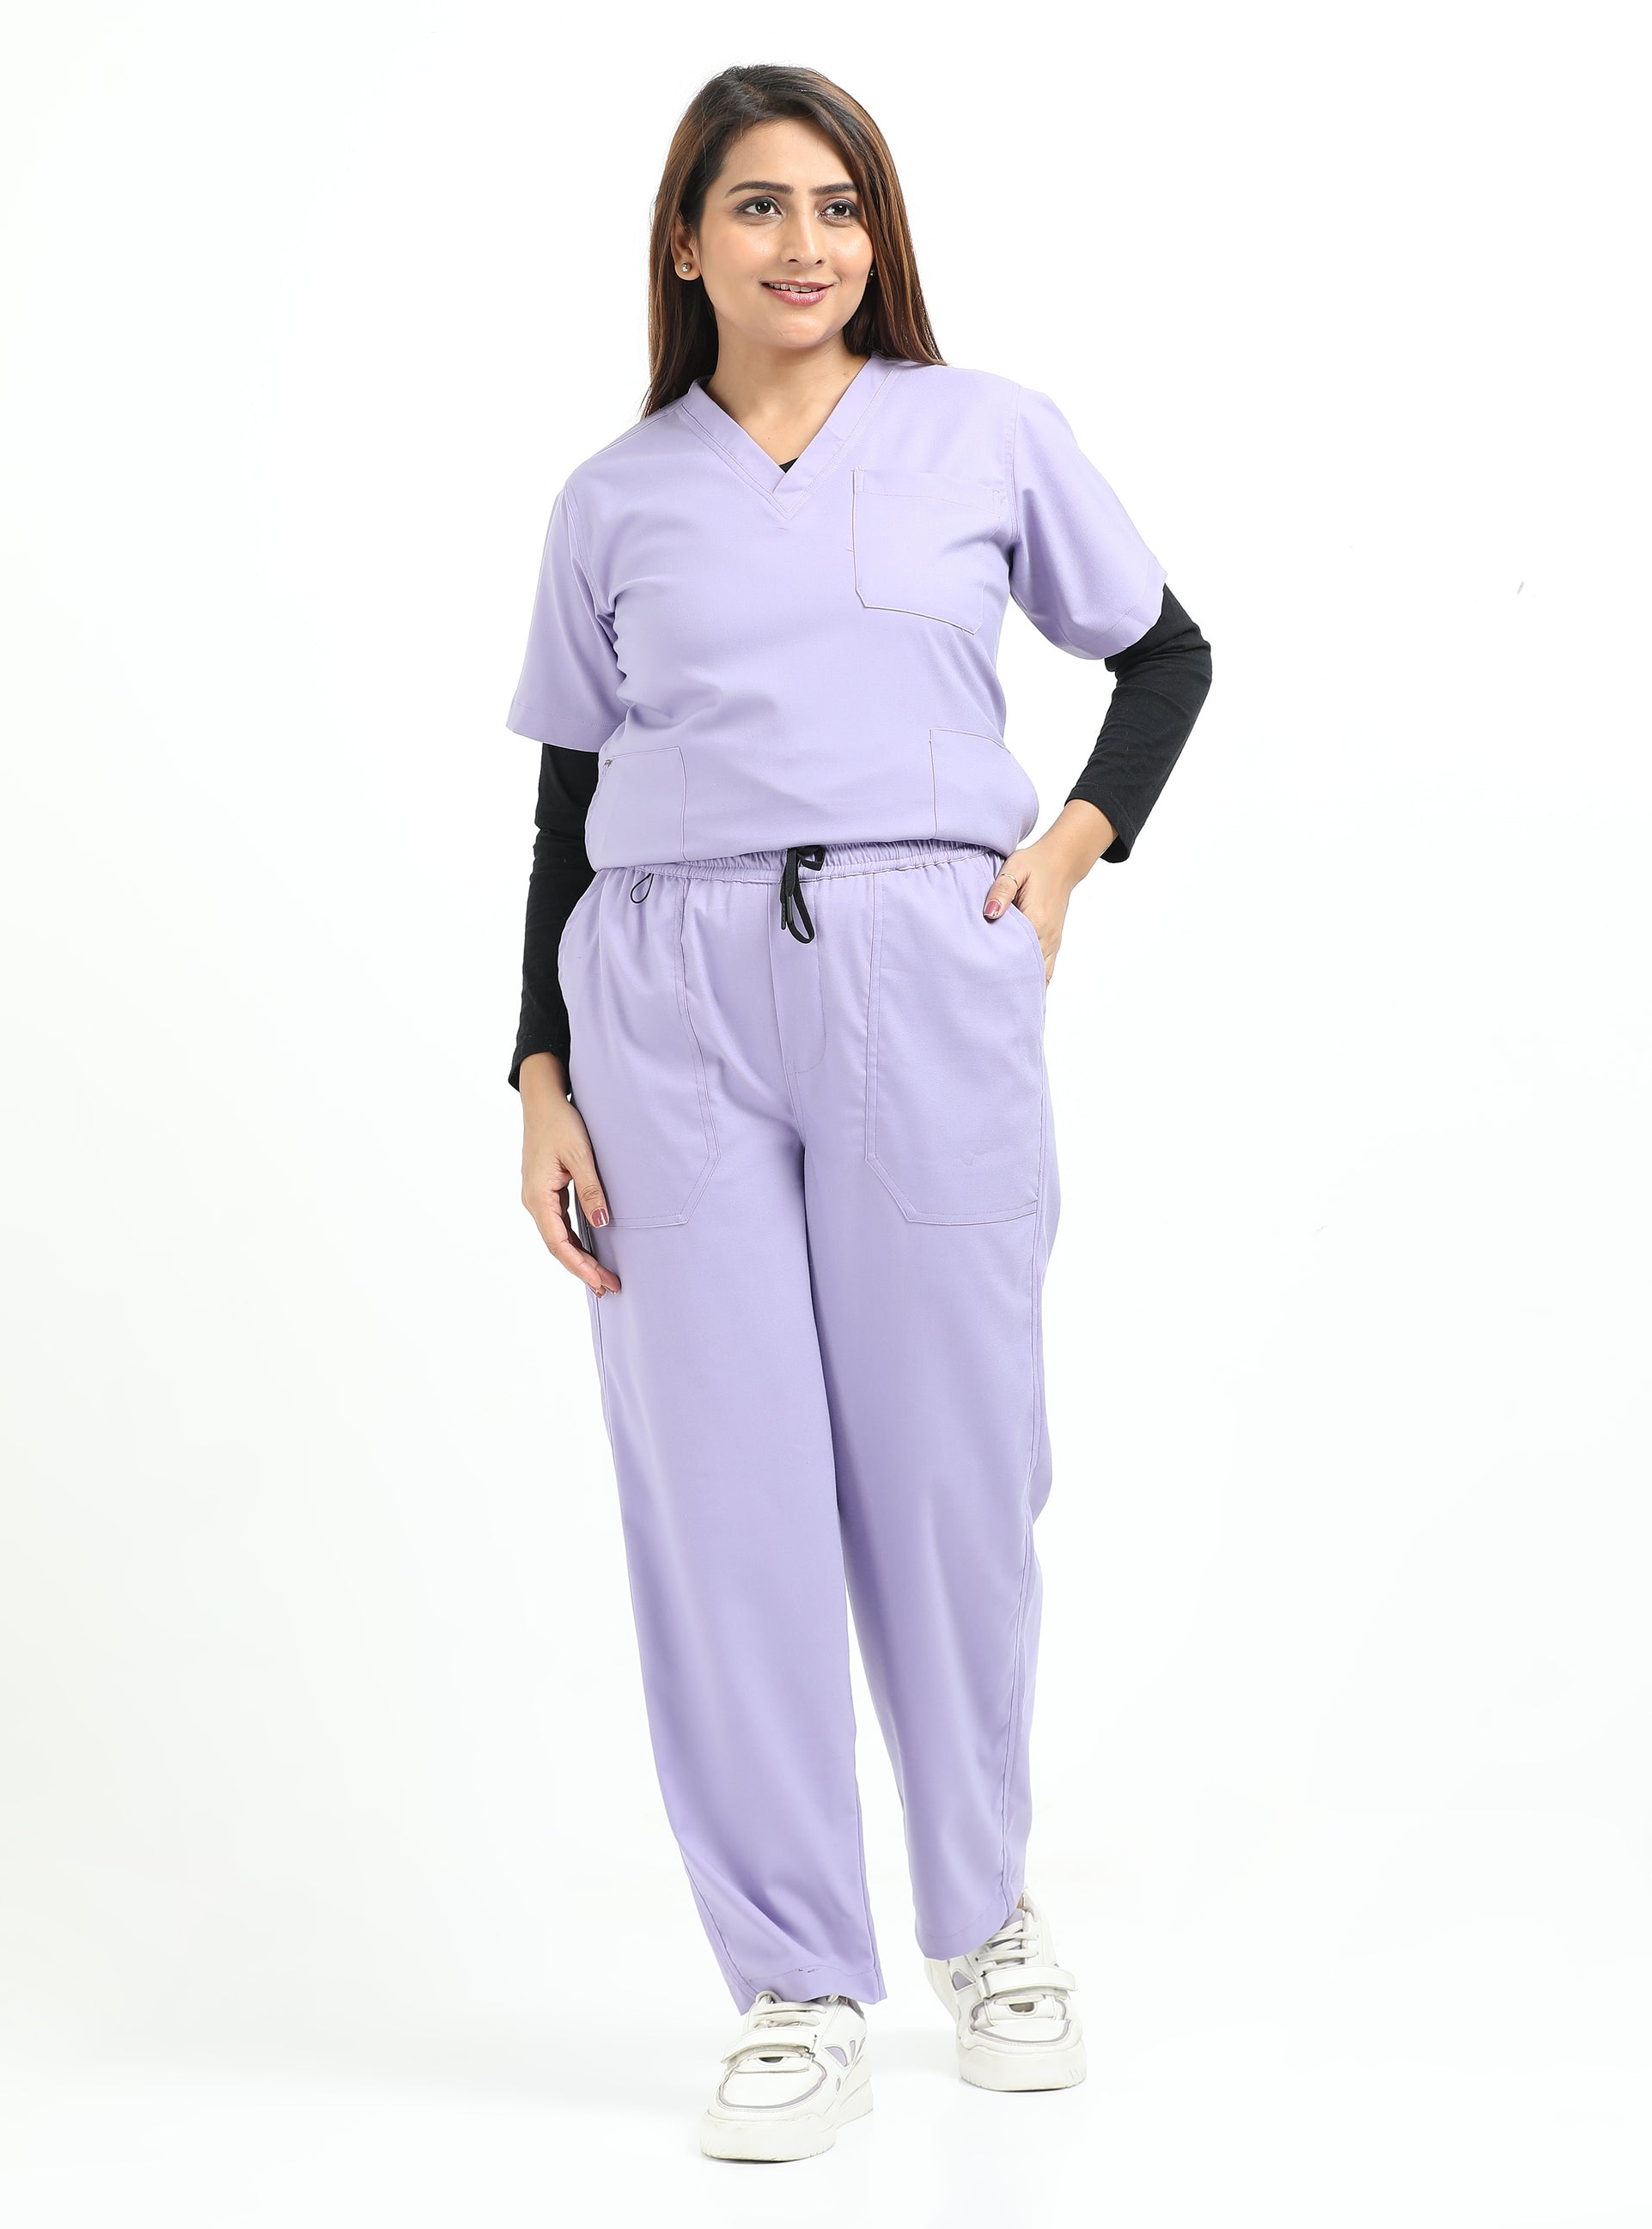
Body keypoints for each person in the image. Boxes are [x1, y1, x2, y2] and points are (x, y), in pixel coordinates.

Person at [506, 63, 1212, 2162]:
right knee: (719, 1494)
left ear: (875, 233)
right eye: (756, 205)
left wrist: (1067, 849)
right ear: (685, 240)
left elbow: (1165, 654)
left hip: (922, 959)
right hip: (663, 999)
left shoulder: (983, 430)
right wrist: (536, 1068)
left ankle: (984, 1917)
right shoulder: (616, 496)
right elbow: (563, 799)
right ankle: (792, 1980)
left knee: (952, 1465)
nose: (802, 243)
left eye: (835, 205)